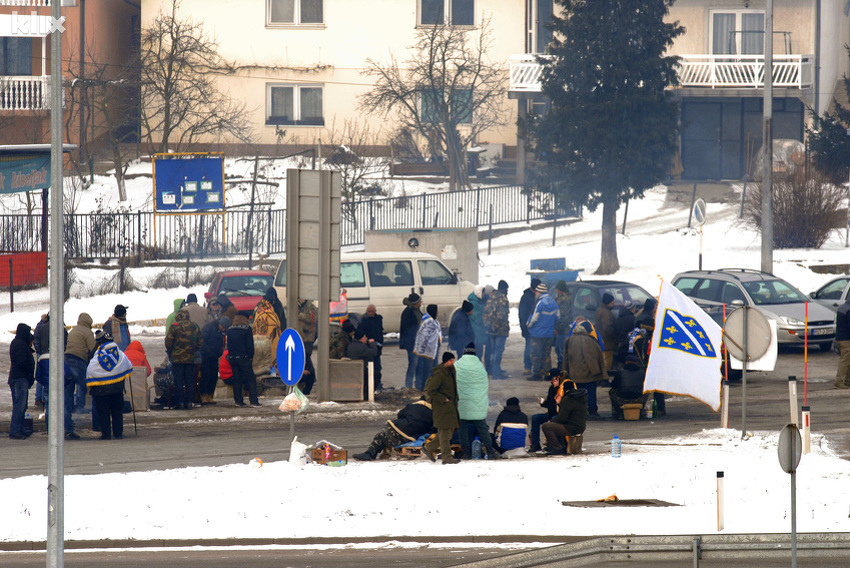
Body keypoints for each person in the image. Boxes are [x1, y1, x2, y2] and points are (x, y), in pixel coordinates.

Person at [455, 343, 500, 459]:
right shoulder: (480, 367)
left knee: (462, 429)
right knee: (483, 429)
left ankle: (466, 452)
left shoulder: (457, 365)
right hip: (477, 405)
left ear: (464, 352)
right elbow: (484, 386)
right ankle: (490, 451)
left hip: (462, 405)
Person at [353, 398, 434, 461]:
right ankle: (370, 453)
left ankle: (370, 453)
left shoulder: (413, 406)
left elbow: (400, 414)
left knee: (380, 437)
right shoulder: (432, 414)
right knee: (385, 438)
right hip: (410, 435)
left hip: (396, 427)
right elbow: (431, 430)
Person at [86, 330, 132, 440]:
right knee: (117, 412)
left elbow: (90, 369)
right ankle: (118, 433)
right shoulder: (120, 354)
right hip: (117, 388)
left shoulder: (96, 355)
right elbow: (128, 366)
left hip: (100, 390)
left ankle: (106, 434)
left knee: (103, 413)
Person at [422, 352, 460, 465]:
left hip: (450, 407)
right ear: (445, 361)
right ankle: (447, 457)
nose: (452, 363)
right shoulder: (439, 374)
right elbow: (431, 391)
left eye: (453, 360)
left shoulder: (450, 372)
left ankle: (429, 448)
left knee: (447, 432)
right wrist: (443, 399)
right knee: (445, 433)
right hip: (442, 407)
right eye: (450, 361)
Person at [563, 319, 606, 419]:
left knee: (577, 393)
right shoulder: (589, 340)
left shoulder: (569, 340)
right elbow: (590, 357)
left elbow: (565, 357)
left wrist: (566, 371)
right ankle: (592, 411)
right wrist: (597, 372)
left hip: (574, 374)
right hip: (588, 374)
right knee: (590, 393)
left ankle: (579, 412)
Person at [164, 310, 202, 410]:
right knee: (190, 381)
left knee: (178, 381)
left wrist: (171, 351)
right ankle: (189, 402)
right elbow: (200, 342)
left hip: (177, 359)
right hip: (190, 358)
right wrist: (194, 350)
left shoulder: (174, 326)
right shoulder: (194, 326)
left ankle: (180, 403)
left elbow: (168, 342)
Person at [541, 379, 588, 455]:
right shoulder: (581, 398)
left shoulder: (568, 399)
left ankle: (558, 448)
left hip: (572, 428)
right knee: (556, 425)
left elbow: (562, 418)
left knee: (546, 426)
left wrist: (558, 404)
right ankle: (562, 446)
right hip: (580, 426)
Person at [635, 297, 664, 415]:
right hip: (648, 354)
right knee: (655, 382)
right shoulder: (648, 320)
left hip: (640, 354)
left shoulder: (639, 317)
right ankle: (660, 408)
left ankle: (641, 407)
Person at [526, 282, 559, 381]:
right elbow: (558, 317)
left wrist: (528, 325)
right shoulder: (553, 302)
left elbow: (534, 318)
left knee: (535, 354)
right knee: (546, 354)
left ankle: (537, 374)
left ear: (539, 292)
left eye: (536, 292)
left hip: (537, 334)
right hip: (549, 334)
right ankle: (547, 373)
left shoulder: (540, 303)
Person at [65, 313, 96, 414]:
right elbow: (93, 349)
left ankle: (68, 407)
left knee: (69, 385)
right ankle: (79, 407)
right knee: (81, 384)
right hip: (79, 359)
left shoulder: (73, 330)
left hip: (67, 358)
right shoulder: (88, 332)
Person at [226, 315, 260, 407]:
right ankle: (253, 401)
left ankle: (238, 401)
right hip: (243, 357)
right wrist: (250, 356)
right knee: (251, 378)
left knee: (237, 379)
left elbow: (228, 344)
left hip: (233, 357)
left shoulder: (229, 329)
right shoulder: (246, 329)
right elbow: (250, 344)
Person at [8, 323, 35, 440]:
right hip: (20, 378)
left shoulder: (19, 343)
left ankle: (18, 429)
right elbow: (22, 362)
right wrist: (29, 373)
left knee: (20, 405)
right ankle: (15, 430)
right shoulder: (20, 344)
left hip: (18, 378)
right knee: (19, 406)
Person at [528, 368, 562, 453]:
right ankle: (535, 444)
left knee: (553, 420)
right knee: (536, 418)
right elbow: (551, 404)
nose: (551, 381)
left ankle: (552, 444)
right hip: (551, 414)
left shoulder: (563, 388)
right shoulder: (552, 388)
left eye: (553, 379)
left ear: (558, 378)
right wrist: (544, 403)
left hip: (560, 415)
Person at [200, 316, 230, 405]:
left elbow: (222, 343)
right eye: (223, 327)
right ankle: (203, 395)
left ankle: (210, 395)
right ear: (220, 324)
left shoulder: (221, 331)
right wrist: (207, 351)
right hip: (206, 356)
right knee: (206, 375)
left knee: (213, 376)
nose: (224, 329)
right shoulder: (209, 327)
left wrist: (219, 352)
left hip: (214, 356)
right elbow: (202, 340)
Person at [483, 280, 510, 380]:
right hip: (500, 331)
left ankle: (495, 371)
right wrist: (496, 326)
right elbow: (501, 316)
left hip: (490, 331)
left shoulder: (490, 298)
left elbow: (485, 314)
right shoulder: (503, 299)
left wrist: (489, 327)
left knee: (493, 351)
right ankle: (496, 373)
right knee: (498, 352)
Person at [413, 304, 441, 390]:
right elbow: (424, 337)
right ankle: (424, 388)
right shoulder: (429, 322)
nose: (438, 312)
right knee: (428, 371)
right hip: (428, 351)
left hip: (433, 350)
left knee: (433, 370)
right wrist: (422, 350)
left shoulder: (433, 320)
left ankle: (432, 387)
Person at [357, 304, 384, 391]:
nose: (371, 313)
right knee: (371, 368)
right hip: (368, 348)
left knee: (377, 367)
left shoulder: (378, 319)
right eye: (369, 312)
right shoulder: (363, 320)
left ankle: (377, 385)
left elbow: (380, 333)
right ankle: (371, 386)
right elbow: (360, 334)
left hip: (377, 346)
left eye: (372, 312)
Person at [518, 278, 542, 376]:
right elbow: (522, 314)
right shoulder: (526, 297)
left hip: (538, 327)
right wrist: (524, 328)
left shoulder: (538, 297)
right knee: (529, 347)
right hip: (529, 327)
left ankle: (536, 367)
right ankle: (527, 366)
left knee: (537, 348)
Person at [346, 330, 379, 399]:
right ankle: (367, 394)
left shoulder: (351, 345)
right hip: (360, 371)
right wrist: (372, 343)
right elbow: (373, 352)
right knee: (377, 375)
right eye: (364, 337)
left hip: (351, 370)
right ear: (361, 338)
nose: (366, 338)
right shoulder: (361, 347)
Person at [399, 293, 422, 388]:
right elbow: (406, 329)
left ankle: (418, 385)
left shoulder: (416, 311)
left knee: (419, 365)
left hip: (418, 343)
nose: (421, 303)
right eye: (420, 301)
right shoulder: (408, 312)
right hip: (412, 344)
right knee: (413, 364)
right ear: (416, 303)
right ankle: (408, 385)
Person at [296, 298, 318, 395]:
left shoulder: (311, 307)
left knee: (306, 361)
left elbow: (312, 319)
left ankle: (308, 385)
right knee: (303, 362)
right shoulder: (294, 305)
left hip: (307, 339)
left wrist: (299, 315)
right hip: (298, 338)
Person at [594, 293, 617, 373]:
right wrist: (614, 337)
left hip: (600, 340)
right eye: (613, 302)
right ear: (609, 302)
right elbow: (608, 329)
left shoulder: (599, 310)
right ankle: (604, 379)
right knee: (607, 362)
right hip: (607, 342)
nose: (614, 304)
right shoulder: (606, 313)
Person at [553, 281, 573, 369]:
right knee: (559, 349)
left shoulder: (563, 299)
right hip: (563, 328)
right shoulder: (565, 298)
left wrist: (557, 328)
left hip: (562, 329)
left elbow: (563, 315)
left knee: (561, 350)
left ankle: (563, 368)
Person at [613, 301, 640, 365]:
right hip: (628, 344)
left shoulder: (618, 319)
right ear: (632, 309)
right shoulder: (633, 319)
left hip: (618, 344)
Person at [467, 285, 488, 364]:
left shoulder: (478, 301)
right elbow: (477, 318)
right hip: (475, 332)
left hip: (479, 332)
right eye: (483, 293)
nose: (484, 295)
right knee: (477, 352)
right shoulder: (474, 303)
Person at [836, 296, 850, 389]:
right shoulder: (848, 310)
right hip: (846, 339)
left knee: (848, 360)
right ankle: (839, 381)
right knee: (845, 361)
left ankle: (847, 381)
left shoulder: (842, 308)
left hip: (840, 337)